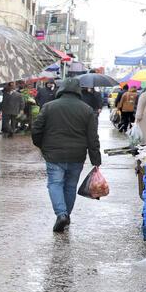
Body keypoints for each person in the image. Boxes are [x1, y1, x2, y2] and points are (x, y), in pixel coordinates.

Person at [31, 78, 101, 233]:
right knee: (70, 186)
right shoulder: (87, 109)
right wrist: (96, 159)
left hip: (54, 154)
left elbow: (36, 129)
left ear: (61, 89)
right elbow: (92, 137)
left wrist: (42, 146)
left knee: (55, 184)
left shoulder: (49, 107)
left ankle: (61, 215)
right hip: (77, 155)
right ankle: (66, 216)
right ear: (78, 91)